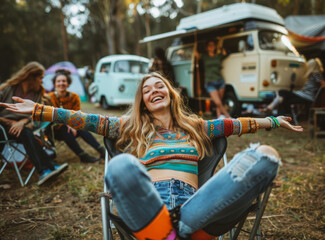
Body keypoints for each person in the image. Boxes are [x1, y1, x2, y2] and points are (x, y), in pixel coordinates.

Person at [0, 72, 303, 239]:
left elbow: (238, 124)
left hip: (195, 205)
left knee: (265, 156)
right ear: (143, 101)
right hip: (149, 204)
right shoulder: (129, 127)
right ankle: (176, 235)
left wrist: (276, 121)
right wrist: (40, 110)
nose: (154, 90)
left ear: (170, 93)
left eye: (160, 85)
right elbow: (85, 120)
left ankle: (169, 237)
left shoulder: (197, 127)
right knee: (120, 167)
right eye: (147, 89)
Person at [0, 62, 68, 186]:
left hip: (21, 129)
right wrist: (10, 122)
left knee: (27, 133)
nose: (42, 82)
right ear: (31, 77)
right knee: (26, 133)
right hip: (2, 127)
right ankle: (46, 168)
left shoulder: (37, 94)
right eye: (40, 78)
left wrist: (22, 122)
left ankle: (47, 169)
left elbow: (33, 116)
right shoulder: (8, 89)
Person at [48, 69, 105, 163]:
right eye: (58, 81)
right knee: (65, 129)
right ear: (54, 84)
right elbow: (53, 117)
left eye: (64, 81)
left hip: (74, 127)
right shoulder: (50, 97)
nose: (61, 83)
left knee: (82, 127)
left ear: (68, 83)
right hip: (56, 130)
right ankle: (83, 156)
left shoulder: (74, 97)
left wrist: (73, 124)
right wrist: (68, 124)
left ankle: (101, 150)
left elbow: (78, 115)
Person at [199, 40, 230, 118]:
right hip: (210, 83)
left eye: (213, 45)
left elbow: (227, 54)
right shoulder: (204, 56)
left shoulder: (219, 56)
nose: (211, 46)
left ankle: (219, 116)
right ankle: (228, 116)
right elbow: (196, 55)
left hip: (220, 81)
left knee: (219, 102)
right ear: (206, 47)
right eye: (209, 45)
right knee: (218, 102)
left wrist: (222, 48)